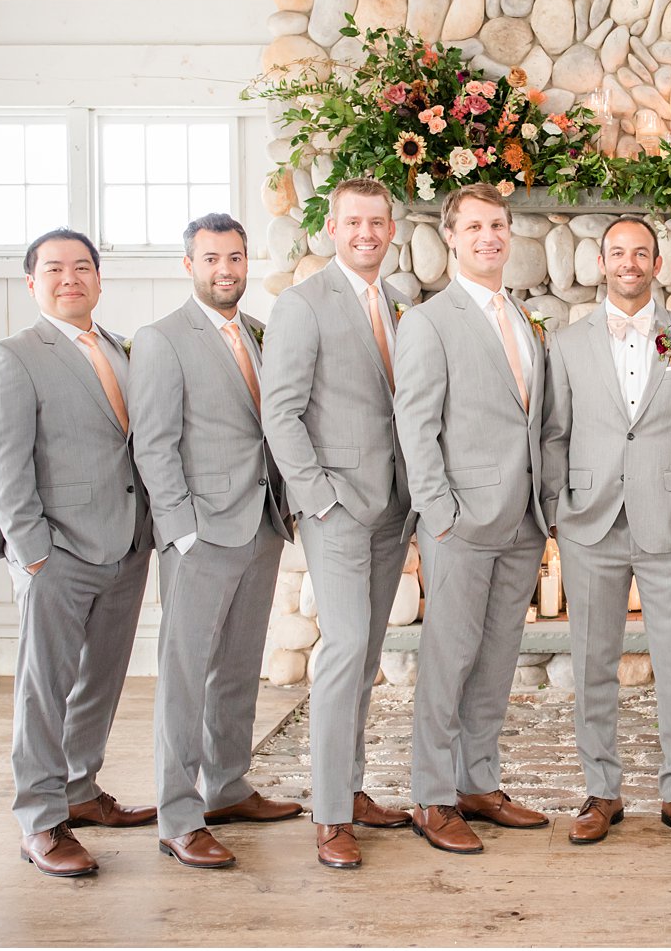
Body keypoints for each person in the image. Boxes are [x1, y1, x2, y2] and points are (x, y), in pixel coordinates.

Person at [540, 217, 671, 847]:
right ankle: (602, 789)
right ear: (601, 262)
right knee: (592, 660)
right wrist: (558, 509)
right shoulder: (566, 346)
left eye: (640, 253)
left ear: (657, 263)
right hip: (590, 523)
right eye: (617, 252)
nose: (629, 262)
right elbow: (555, 434)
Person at [0, 228, 156, 878]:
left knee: (100, 682)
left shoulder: (121, 349)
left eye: (83, 267)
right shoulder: (12, 356)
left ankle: (81, 788)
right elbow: (5, 464)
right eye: (54, 269)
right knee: (44, 689)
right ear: (33, 283)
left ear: (99, 280)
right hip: (57, 554)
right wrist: (33, 555)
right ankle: (41, 818)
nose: (70, 277)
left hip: (127, 545)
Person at [127, 213, 302, 869]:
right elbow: (153, 441)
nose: (225, 270)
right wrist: (182, 531)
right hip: (200, 535)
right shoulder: (161, 339)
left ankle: (226, 786)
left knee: (236, 668)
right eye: (211, 259)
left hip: (260, 525)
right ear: (189, 265)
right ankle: (179, 814)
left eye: (235, 258)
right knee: (184, 677)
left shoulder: (259, 333)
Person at [394, 182, 551, 854]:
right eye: (477, 227)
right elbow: (416, 423)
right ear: (451, 236)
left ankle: (477, 782)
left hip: (521, 520)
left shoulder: (520, 316)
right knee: (448, 659)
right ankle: (432, 796)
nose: (490, 237)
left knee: (495, 659)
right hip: (461, 521)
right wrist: (441, 514)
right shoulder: (428, 321)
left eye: (499, 226)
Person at [262, 178, 415, 869]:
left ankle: (351, 788)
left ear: (391, 228)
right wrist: (318, 498)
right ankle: (329, 813)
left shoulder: (395, 302)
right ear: (332, 227)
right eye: (354, 222)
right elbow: (281, 413)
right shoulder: (301, 305)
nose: (366, 233)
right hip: (338, 509)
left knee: (366, 656)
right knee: (345, 649)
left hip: (391, 505)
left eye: (377, 222)